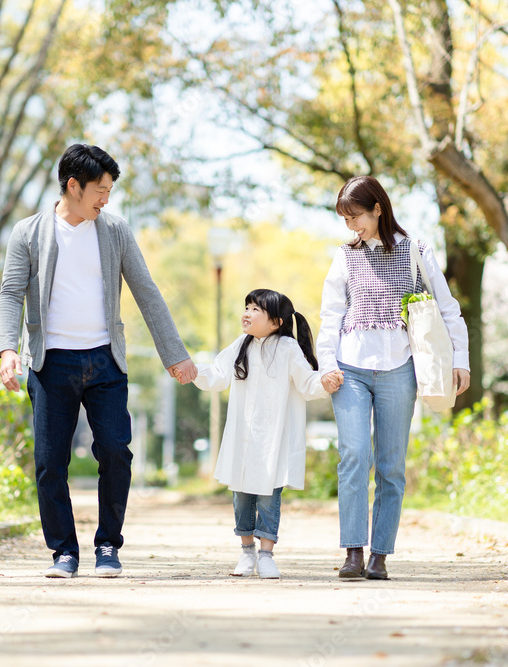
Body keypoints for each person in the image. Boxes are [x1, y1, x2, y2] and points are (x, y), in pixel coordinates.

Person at [0, 143, 197, 579]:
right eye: (100, 191)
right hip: (51, 365)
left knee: (115, 452)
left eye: (109, 191)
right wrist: (7, 349)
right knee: (51, 462)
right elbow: (11, 292)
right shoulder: (28, 233)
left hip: (106, 362)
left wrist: (174, 355)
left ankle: (108, 545)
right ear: (73, 186)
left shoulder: (115, 231)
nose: (105, 200)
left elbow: (146, 291)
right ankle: (63, 552)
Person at [316, 175, 470, 580]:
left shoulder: (417, 250)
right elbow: (330, 316)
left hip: (400, 371)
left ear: (378, 209)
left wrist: (461, 360)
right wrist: (326, 364)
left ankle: (380, 555)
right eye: (345, 219)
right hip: (350, 371)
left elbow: (448, 308)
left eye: (357, 217)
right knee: (353, 457)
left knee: (390, 466)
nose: (352, 226)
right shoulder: (344, 256)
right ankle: (353, 551)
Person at [186, 288, 331, 579]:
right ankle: (246, 551)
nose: (247, 313)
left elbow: (307, 382)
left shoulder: (288, 348)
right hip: (244, 436)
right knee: (241, 496)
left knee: (269, 496)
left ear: (276, 322)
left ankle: (266, 554)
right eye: (247, 307)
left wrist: (325, 381)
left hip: (274, 437)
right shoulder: (242, 344)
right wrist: (194, 372)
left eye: (256, 309)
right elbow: (218, 373)